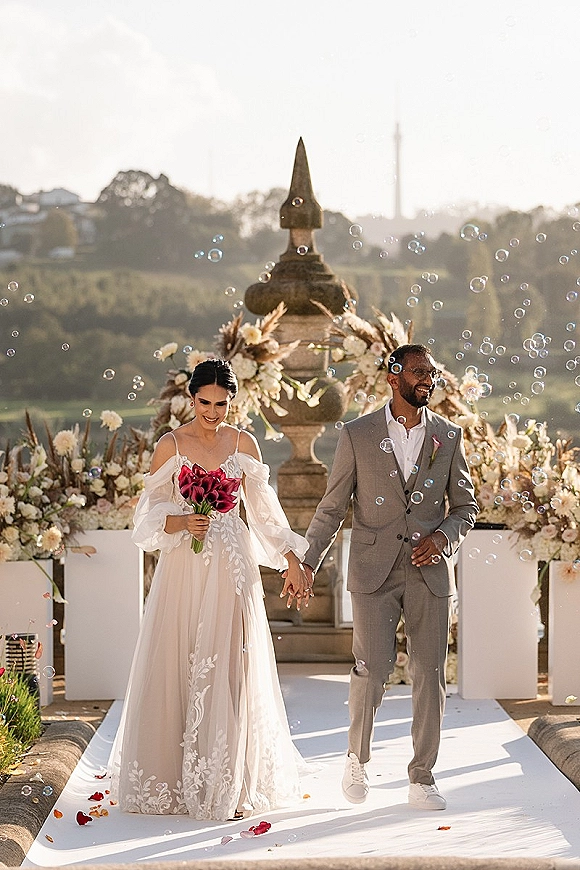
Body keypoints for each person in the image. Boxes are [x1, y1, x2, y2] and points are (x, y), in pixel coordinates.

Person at [110, 358, 310, 821]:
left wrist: (291, 559)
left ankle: (229, 780)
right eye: (205, 402)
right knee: (176, 659)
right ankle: (174, 778)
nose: (213, 411)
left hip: (232, 569)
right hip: (184, 567)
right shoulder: (171, 445)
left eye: (222, 403)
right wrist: (180, 520)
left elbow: (264, 513)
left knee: (231, 664)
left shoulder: (245, 444)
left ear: (232, 402)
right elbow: (145, 519)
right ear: (191, 397)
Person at [302, 344, 478, 810]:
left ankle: (422, 776)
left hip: (430, 573)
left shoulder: (449, 436)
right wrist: (306, 561)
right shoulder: (357, 434)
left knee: (429, 672)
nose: (429, 380)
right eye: (420, 372)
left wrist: (442, 539)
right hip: (373, 571)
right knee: (372, 668)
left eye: (433, 373)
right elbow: (333, 507)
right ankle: (356, 759)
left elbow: (465, 508)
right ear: (393, 376)